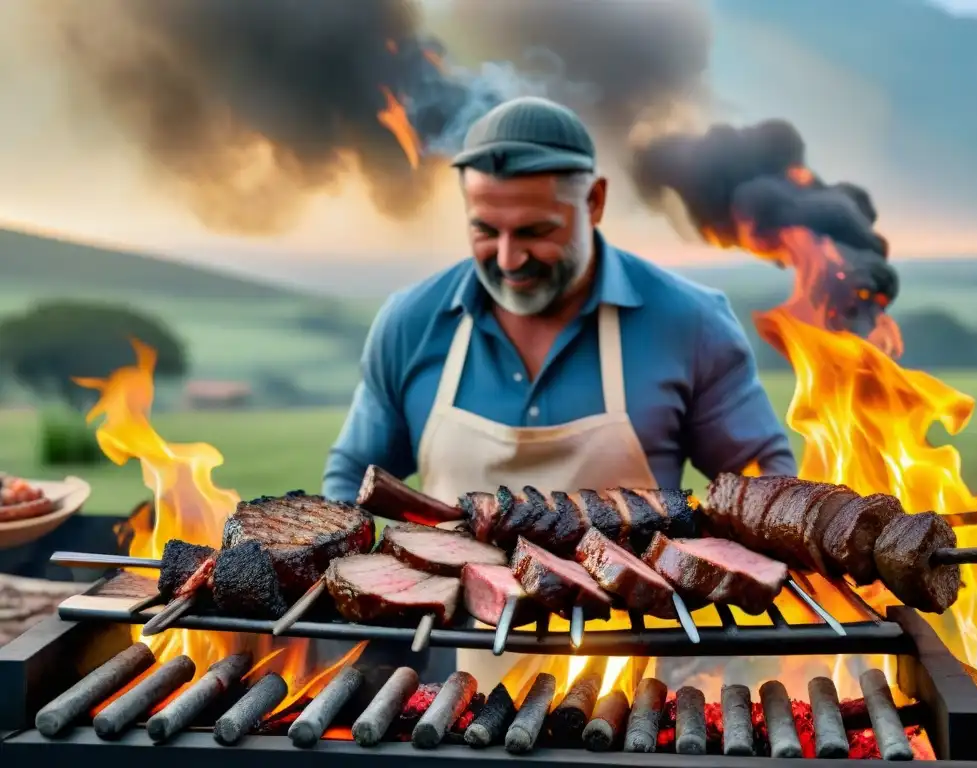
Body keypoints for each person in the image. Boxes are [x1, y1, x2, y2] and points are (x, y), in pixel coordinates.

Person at [322, 97, 797, 690]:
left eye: (536, 232)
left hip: (642, 683)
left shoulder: (689, 322)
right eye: (484, 231)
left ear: (594, 202)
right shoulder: (411, 323)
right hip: (460, 682)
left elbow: (766, 487)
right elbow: (350, 479)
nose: (508, 258)